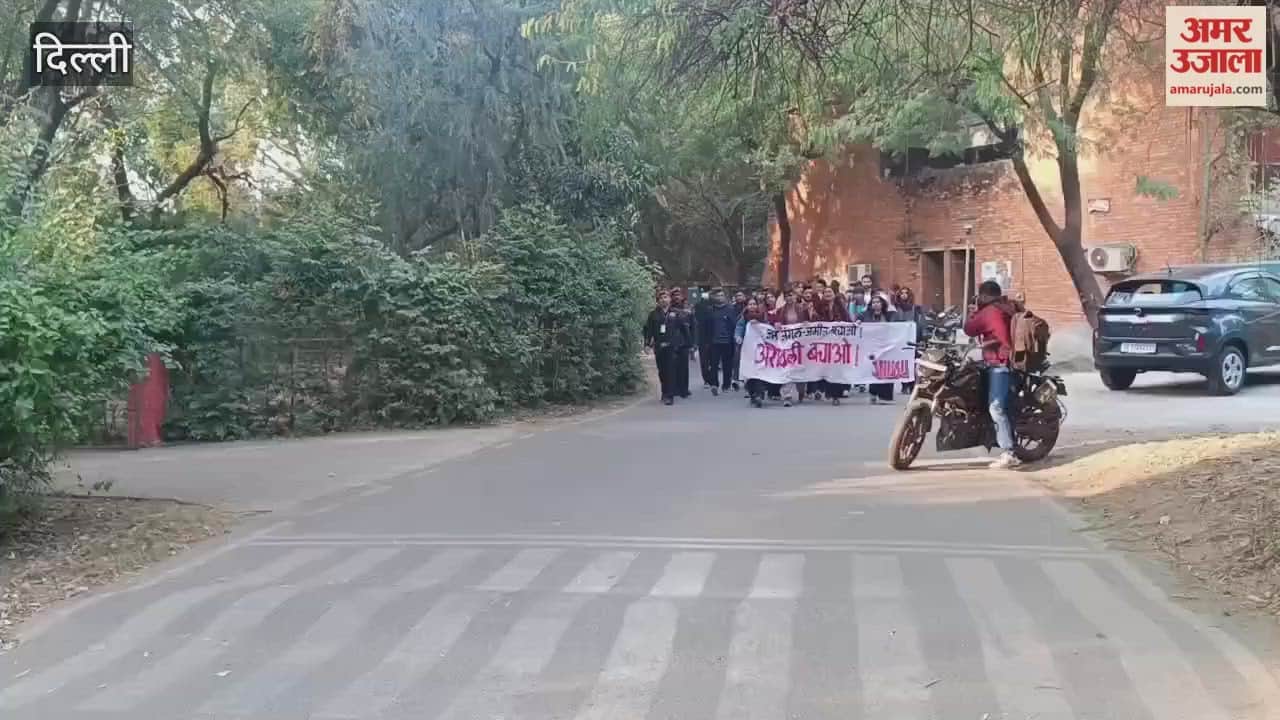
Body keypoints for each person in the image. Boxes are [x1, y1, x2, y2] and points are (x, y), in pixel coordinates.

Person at [964, 280, 1019, 469]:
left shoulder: (989, 312)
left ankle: (1009, 453)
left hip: (999, 363)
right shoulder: (1008, 306)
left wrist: (974, 312)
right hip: (1014, 362)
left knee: (996, 408)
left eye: (980, 296)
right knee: (1003, 407)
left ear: (985, 296)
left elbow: (969, 329)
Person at [643, 290, 689, 405]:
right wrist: (647, 344)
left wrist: (688, 343)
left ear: (669, 299)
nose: (664, 300)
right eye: (661, 298)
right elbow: (648, 330)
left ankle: (670, 395)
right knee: (662, 371)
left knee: (671, 370)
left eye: (666, 297)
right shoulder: (653, 314)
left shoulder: (676, 313)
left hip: (673, 346)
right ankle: (664, 392)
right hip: (659, 346)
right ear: (658, 301)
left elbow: (684, 329)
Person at [811, 286, 851, 405]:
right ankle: (827, 392)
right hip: (825, 341)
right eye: (825, 292)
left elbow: (847, 320)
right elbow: (815, 320)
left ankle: (836, 395)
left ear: (834, 294)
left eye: (830, 291)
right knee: (827, 368)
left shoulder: (840, 305)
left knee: (837, 368)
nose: (827, 294)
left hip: (838, 341)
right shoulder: (820, 307)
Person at [735, 297, 770, 407]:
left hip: (761, 350)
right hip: (747, 350)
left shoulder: (762, 317)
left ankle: (759, 394)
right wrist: (738, 337)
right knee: (749, 373)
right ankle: (752, 394)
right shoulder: (743, 318)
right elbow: (739, 329)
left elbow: (768, 329)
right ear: (746, 306)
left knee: (760, 372)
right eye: (750, 304)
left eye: (754, 304)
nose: (752, 306)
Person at [862, 294, 896, 404]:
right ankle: (873, 393)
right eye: (873, 302)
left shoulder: (889, 314)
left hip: (886, 346)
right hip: (872, 347)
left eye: (878, 302)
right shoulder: (865, 315)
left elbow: (896, 326)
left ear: (882, 304)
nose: (876, 304)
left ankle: (885, 397)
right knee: (874, 370)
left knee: (886, 369)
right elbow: (858, 322)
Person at [705, 289, 740, 395]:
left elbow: (735, 324)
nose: (720, 297)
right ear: (714, 298)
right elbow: (706, 326)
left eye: (721, 295)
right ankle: (714, 384)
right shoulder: (710, 310)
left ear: (724, 297)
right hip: (714, 341)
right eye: (718, 295)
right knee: (714, 364)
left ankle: (726, 385)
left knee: (727, 365)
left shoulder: (730, 309)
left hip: (727, 341)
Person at [895, 287, 925, 395]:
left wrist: (921, 337)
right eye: (902, 293)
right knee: (902, 362)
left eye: (906, 293)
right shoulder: (895, 308)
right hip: (900, 338)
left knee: (913, 362)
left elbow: (920, 323)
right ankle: (904, 385)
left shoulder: (916, 308)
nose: (904, 295)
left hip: (913, 338)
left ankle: (912, 385)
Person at [670, 288, 694, 398]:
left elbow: (693, 327)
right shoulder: (668, 310)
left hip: (684, 341)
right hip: (672, 341)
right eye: (674, 295)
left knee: (684, 367)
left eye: (678, 295)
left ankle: (684, 389)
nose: (676, 297)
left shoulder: (688, 311)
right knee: (673, 366)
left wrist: (693, 343)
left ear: (682, 296)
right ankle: (674, 389)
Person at [693, 287, 715, 389]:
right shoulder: (698, 305)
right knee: (704, 360)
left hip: (714, 336)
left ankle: (712, 379)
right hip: (703, 336)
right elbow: (696, 322)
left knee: (713, 359)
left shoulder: (714, 305)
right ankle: (706, 379)